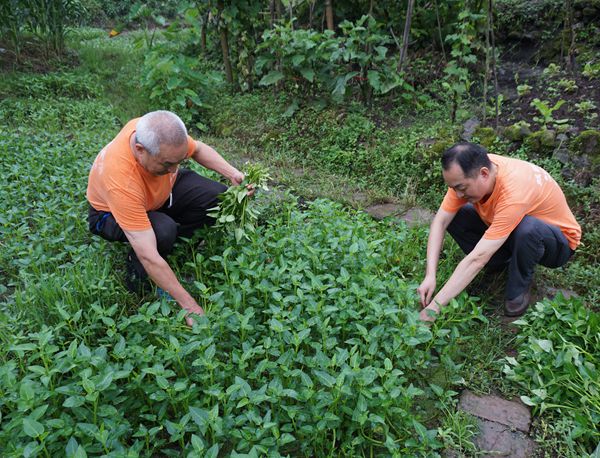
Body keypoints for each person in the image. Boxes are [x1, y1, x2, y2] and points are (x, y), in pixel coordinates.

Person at [87, 110, 249, 325]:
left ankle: (171, 254)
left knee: (217, 197)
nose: (175, 169)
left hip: (155, 193)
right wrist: (190, 307)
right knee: (162, 231)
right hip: (107, 214)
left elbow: (198, 149)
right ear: (140, 150)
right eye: (167, 164)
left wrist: (233, 174)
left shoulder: (156, 132)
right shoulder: (120, 181)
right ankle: (139, 275)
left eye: (179, 161)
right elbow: (148, 255)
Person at [417, 142, 581, 322]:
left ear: (484, 174)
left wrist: (433, 309)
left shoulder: (513, 192)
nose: (457, 195)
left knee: (528, 229)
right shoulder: (473, 169)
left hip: (558, 243)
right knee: (457, 215)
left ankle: (518, 288)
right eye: (453, 188)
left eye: (462, 188)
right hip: (513, 229)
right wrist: (430, 275)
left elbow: (477, 259)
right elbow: (440, 222)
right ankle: (499, 263)